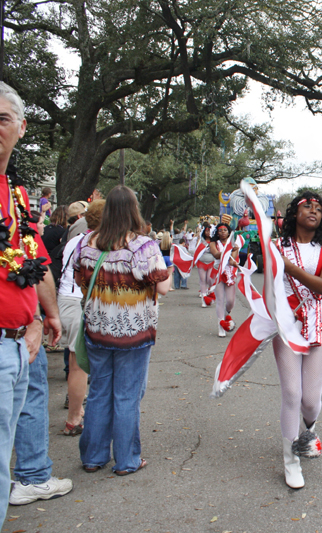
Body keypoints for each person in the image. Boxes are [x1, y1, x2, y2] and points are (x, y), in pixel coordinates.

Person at [0, 83, 66, 518]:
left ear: (22, 128)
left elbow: (34, 260)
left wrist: (46, 316)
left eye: (2, 119)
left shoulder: (16, 195)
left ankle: (31, 475)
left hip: (20, 342)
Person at [73, 185, 171, 475]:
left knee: (100, 391)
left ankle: (93, 456)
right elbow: (162, 287)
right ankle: (127, 459)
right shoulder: (143, 246)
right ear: (133, 210)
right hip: (133, 332)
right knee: (127, 396)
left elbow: (80, 280)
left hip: (98, 329)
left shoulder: (86, 243)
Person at [274, 192, 322, 489]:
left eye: (318, 208)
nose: (313, 211)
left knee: (310, 402)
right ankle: (291, 459)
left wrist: (287, 267)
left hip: (319, 328)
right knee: (291, 394)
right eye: (306, 206)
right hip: (286, 329)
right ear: (294, 213)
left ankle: (309, 430)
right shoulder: (278, 246)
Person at [58, 199, 104, 437]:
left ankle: (75, 407)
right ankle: (75, 417)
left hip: (65, 300)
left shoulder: (74, 240)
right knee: (81, 365)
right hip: (81, 301)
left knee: (76, 360)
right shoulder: (96, 243)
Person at [209, 221, 240, 337]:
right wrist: (229, 250)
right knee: (220, 300)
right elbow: (216, 255)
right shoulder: (214, 243)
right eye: (220, 230)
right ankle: (220, 324)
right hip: (217, 273)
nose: (222, 232)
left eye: (225, 230)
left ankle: (226, 313)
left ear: (229, 232)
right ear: (217, 232)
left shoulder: (234, 244)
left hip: (230, 274)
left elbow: (232, 260)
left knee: (231, 301)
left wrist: (235, 263)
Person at [196, 224, 216, 306]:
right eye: (206, 231)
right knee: (202, 279)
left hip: (211, 262)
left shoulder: (214, 241)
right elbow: (196, 249)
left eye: (209, 231)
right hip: (201, 262)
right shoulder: (201, 240)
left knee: (209, 279)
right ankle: (204, 298)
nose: (208, 232)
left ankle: (210, 293)